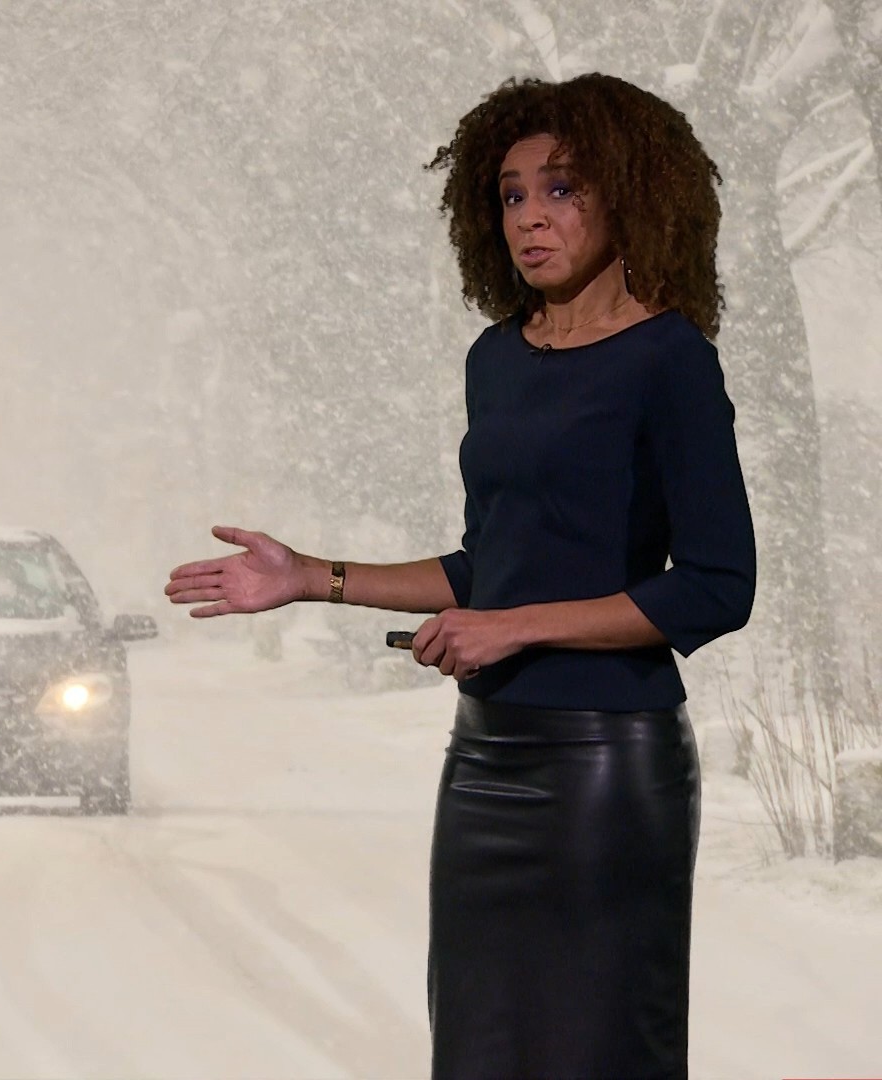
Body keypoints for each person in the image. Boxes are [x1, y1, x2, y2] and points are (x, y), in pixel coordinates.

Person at [164, 72, 753, 1079]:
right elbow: (491, 566)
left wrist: (515, 626)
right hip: (485, 761)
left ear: (629, 195)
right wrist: (312, 576)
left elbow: (715, 584)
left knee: (599, 1053)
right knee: (479, 1054)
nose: (531, 217)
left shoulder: (671, 359)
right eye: (512, 193)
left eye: (561, 189)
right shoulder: (496, 360)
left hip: (607, 765)